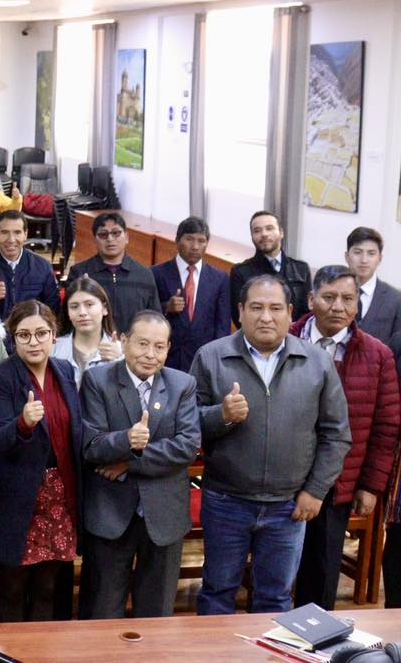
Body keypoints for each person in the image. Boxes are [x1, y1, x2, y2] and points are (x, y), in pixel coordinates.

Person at [192, 274, 351, 615]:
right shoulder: (211, 356)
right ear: (240, 311)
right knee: (217, 592)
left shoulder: (317, 361)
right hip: (226, 501)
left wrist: (316, 490)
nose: (266, 317)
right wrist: (221, 415)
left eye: (275, 308)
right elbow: (187, 426)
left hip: (288, 506)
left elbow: (336, 434)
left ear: (291, 312)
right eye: (257, 307)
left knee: (276, 598)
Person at [80, 311, 201, 620]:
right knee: (101, 612)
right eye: (142, 344)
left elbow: (187, 447)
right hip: (111, 513)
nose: (150, 354)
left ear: (168, 348)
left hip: (164, 513)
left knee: (156, 615)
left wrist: (129, 462)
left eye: (159, 347)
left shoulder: (182, 384)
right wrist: (127, 439)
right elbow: (91, 444)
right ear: (124, 341)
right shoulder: (98, 380)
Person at [291, 266, 399, 610]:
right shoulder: (285, 340)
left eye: (347, 299)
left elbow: (386, 426)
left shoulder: (378, 355)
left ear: (357, 306)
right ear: (312, 299)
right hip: (281, 477)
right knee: (273, 577)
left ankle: (314, 640)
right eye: (329, 297)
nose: (338, 306)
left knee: (321, 577)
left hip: (337, 483)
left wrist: (370, 486)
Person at [0, 300, 82, 622]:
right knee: (12, 587)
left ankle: (40, 648)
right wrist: (22, 423)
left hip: (59, 494)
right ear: (13, 339)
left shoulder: (65, 370)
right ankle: (10, 648)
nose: (33, 342)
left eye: (41, 333)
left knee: (48, 588)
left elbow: (75, 429)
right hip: (18, 498)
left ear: (54, 336)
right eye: (24, 335)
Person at [152, 216, 232, 371]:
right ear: (177, 240)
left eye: (201, 241)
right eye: (189, 239)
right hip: (166, 361)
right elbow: (146, 315)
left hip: (203, 362)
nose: (195, 246)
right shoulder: (156, 273)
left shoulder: (220, 279)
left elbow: (223, 327)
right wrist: (166, 307)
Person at [68, 212, 163, 333]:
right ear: (94, 240)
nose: (110, 239)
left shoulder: (144, 275)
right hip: (91, 342)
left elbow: (154, 318)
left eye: (116, 233)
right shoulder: (79, 273)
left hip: (132, 342)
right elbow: (68, 315)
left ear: (127, 237)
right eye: (103, 234)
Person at [0, 210, 61, 321]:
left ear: (25, 234)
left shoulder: (43, 267)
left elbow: (53, 310)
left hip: (32, 329)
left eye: (17, 232)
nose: (11, 240)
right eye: (4, 232)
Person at [229, 210, 312, 325]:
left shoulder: (301, 269)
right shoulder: (240, 272)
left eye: (269, 228)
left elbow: (308, 312)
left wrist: (292, 330)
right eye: (257, 230)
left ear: (281, 233)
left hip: (294, 334)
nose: (264, 234)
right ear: (252, 237)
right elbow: (239, 316)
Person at [52, 275, 122, 387]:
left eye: (89, 305)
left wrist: (121, 360)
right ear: (68, 312)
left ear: (104, 308)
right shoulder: (53, 349)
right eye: (74, 307)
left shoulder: (121, 351)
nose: (82, 313)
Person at [346, 227, 401, 352]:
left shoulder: (396, 300)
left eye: (371, 253)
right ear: (347, 256)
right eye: (357, 252)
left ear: (380, 259)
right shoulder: (333, 293)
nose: (364, 260)